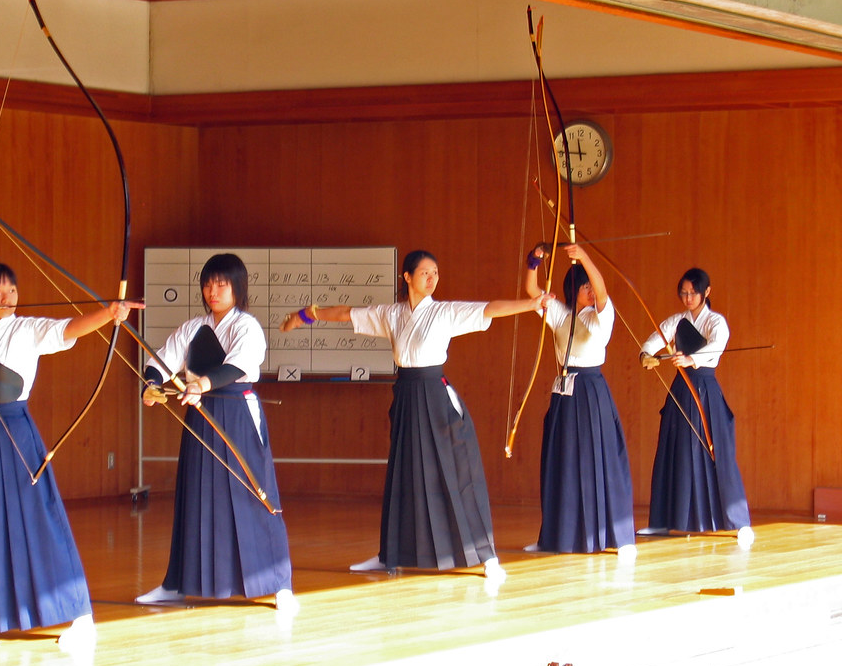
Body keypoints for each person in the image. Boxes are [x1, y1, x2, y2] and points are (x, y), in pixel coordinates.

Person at [281, 249, 551, 583]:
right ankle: (389, 555)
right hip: (407, 395)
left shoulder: (444, 312)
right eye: (425, 272)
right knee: (403, 475)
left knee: (457, 472)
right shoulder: (391, 314)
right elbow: (347, 314)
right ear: (407, 277)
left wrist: (531, 304)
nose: (432, 278)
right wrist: (306, 315)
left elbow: (489, 309)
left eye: (435, 272)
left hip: (435, 397)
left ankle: (487, 556)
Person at [0, 262, 139, 651]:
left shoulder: (27, 329)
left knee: (38, 519)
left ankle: (81, 615)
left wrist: (109, 313)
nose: (6, 298)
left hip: (15, 433)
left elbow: (69, 328)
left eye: (12, 291)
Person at [136, 253, 298, 615]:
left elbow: (239, 363)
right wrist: (152, 385)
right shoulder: (193, 327)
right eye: (208, 284)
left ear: (237, 288)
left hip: (236, 412)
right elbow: (161, 360)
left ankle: (279, 585)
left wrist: (203, 383)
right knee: (195, 495)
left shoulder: (247, 327)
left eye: (222, 283)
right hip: (201, 415)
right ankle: (177, 583)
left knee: (253, 493)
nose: (213, 290)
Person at [523, 243, 635, 559]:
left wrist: (583, 256)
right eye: (582, 284)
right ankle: (557, 536)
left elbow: (601, 294)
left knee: (600, 460)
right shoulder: (561, 313)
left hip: (590, 389)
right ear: (573, 288)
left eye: (589, 284)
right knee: (562, 461)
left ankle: (616, 536)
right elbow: (532, 289)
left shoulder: (602, 316)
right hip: (564, 391)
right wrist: (535, 259)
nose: (589, 289)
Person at [638, 268, 753, 548]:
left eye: (693, 293)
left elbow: (716, 346)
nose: (688, 298)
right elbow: (654, 340)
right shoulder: (677, 321)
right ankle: (665, 520)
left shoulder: (716, 322)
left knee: (715, 453)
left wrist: (690, 358)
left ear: (706, 292)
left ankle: (738, 522)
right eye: (683, 293)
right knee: (675, 451)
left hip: (704, 391)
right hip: (681, 391)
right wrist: (646, 355)